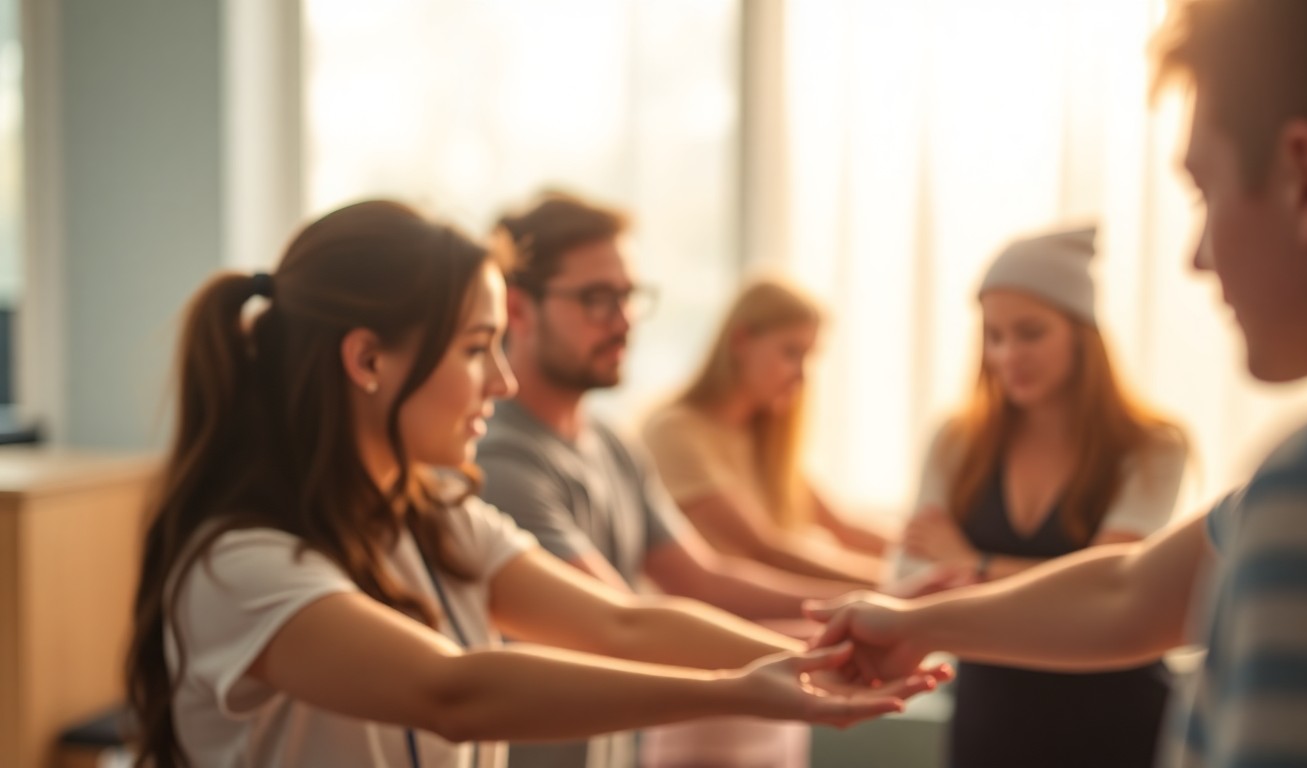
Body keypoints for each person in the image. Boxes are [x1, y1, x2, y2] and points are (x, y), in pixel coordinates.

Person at [124, 200, 945, 768]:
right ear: (368, 360)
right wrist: (743, 689)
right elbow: (453, 691)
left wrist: (813, 662)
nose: (502, 383)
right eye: (477, 348)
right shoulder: (242, 565)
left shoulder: (439, 520)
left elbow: (623, 623)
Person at [805, 2, 1307, 766]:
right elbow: (1125, 591)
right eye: (995, 335)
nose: (1196, 256)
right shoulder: (1286, 491)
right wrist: (916, 622)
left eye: (1204, 191)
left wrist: (963, 572)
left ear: (1306, 180)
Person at [476, 193, 894, 768]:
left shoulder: (613, 443)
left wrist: (863, 612)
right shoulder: (502, 460)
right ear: (518, 309)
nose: (622, 320)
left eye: (627, 297)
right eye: (597, 299)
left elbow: (703, 577)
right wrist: (828, 654)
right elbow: (619, 625)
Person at [884, 225, 1188, 767]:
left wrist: (971, 563)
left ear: (1080, 332)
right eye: (994, 336)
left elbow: (1108, 594)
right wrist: (1014, 574)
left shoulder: (1153, 449)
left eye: (1029, 333)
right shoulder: (955, 443)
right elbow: (912, 577)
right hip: (991, 716)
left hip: (1116, 720)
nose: (1007, 356)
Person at [636, 277, 893, 768]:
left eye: (810, 357)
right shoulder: (675, 431)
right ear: (741, 341)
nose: (801, 373)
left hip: (778, 665)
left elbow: (845, 526)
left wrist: (941, 560)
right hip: (708, 674)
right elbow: (763, 546)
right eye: (791, 352)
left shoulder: (765, 442)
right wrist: (900, 587)